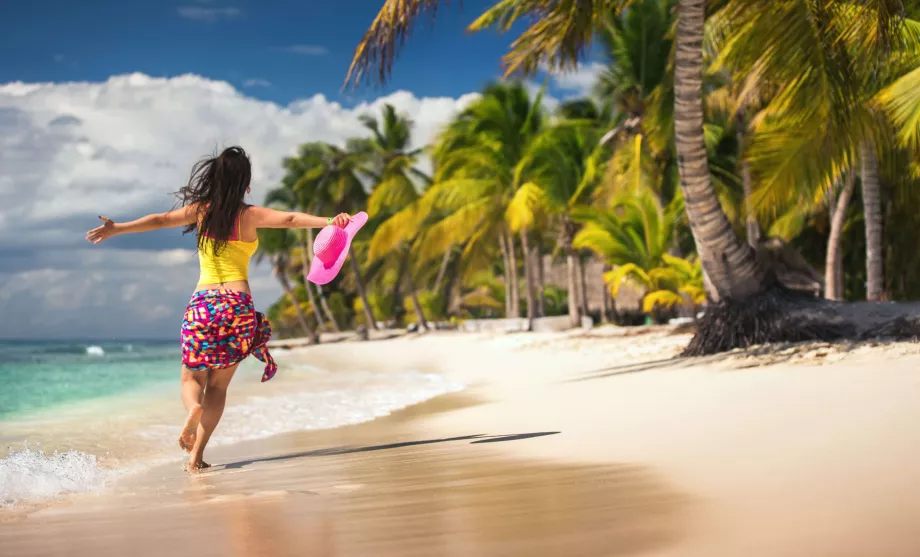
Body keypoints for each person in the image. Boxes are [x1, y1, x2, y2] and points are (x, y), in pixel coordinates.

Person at [86, 146, 351, 472]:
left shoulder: (200, 210)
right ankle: (196, 455)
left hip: (203, 305)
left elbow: (158, 220)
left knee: (191, 378)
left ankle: (192, 410)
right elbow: (292, 219)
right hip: (237, 306)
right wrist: (332, 222)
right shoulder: (250, 215)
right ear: (246, 184)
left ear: (214, 178)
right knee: (220, 387)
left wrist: (118, 228)